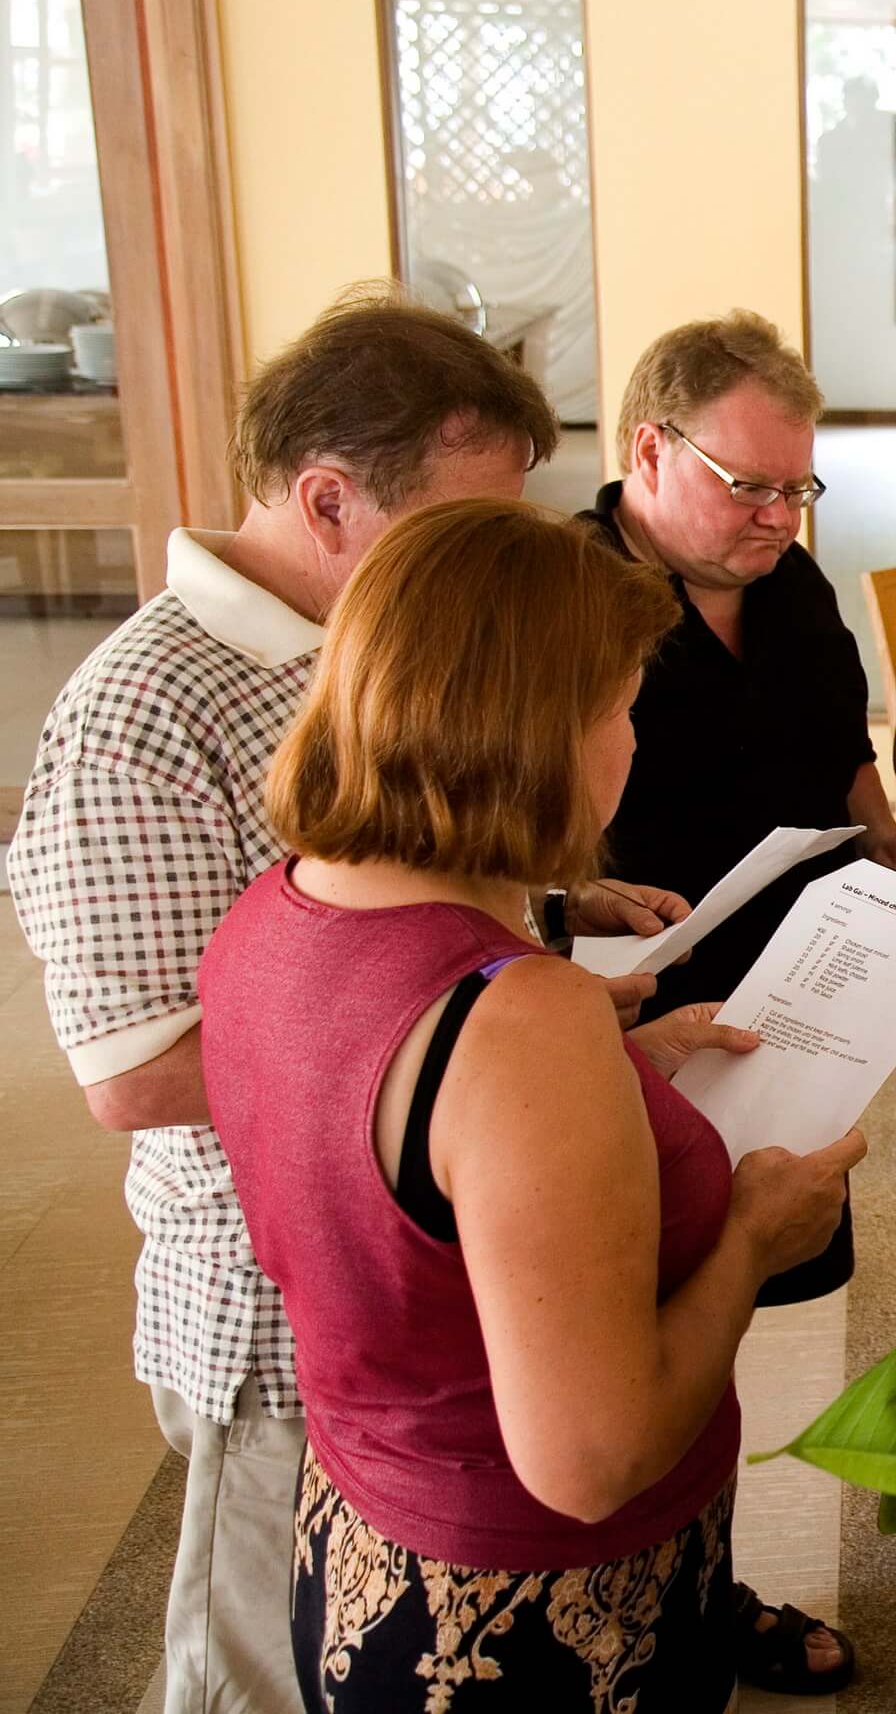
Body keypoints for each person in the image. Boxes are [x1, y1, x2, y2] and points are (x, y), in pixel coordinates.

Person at [4, 293, 690, 1713]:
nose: (495, 564)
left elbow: (394, 919)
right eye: (462, 523)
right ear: (327, 501)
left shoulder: (366, 645)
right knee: (263, 1669)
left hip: (433, 1263)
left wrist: (552, 930)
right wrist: (491, 1068)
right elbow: (133, 1072)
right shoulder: (143, 714)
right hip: (275, 1302)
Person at [200, 500, 867, 1710]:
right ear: (531, 735)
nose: (634, 740)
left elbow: (414, 1169)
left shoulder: (276, 911)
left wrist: (614, 1081)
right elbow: (592, 1461)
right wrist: (751, 1241)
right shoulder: (522, 1017)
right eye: (620, 708)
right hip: (533, 1617)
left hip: (362, 1539)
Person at [583, 311, 896, 1315]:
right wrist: (572, 892)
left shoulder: (793, 584)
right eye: (751, 489)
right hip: (644, 989)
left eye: (799, 489)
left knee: (789, 1248)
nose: (781, 517)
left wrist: (890, 837)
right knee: (653, 1267)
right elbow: (496, 813)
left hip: (808, 978)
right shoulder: (569, 596)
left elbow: (843, 746)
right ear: (652, 450)